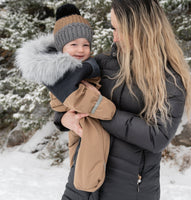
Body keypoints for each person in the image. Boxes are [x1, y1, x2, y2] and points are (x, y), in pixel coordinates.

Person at [58, 0, 191, 200]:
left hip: (130, 190)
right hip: (82, 183)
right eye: (112, 28)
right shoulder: (101, 64)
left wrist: (101, 110)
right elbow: (65, 92)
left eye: (119, 29)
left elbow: (157, 137)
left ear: (140, 29)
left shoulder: (169, 79)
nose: (114, 37)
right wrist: (63, 118)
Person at [15, 3, 116, 194]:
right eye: (73, 44)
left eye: (86, 44)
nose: (81, 49)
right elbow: (77, 98)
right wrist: (108, 109)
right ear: (61, 48)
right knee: (89, 153)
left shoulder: (80, 66)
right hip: (86, 117)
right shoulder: (64, 70)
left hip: (79, 119)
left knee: (83, 153)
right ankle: (87, 186)